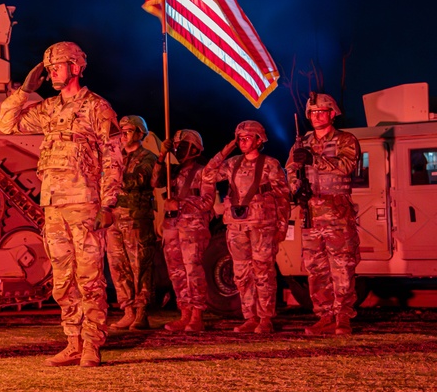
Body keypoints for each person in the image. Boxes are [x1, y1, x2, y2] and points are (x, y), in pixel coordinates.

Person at [0, 41, 123, 368]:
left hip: (85, 204)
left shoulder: (98, 108)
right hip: (53, 206)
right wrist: (24, 91)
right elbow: (7, 124)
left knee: (90, 278)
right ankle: (73, 341)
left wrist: (108, 203)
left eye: (57, 65)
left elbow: (113, 158)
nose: (51, 71)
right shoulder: (49, 108)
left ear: (77, 67)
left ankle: (92, 344)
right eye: (49, 66)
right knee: (62, 280)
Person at [203, 121, 289, 334]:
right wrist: (226, 149)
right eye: (240, 137)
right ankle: (249, 317)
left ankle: (265, 318)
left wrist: (282, 226)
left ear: (260, 140)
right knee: (241, 273)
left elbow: (283, 197)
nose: (242, 141)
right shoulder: (232, 163)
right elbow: (207, 174)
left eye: (247, 137)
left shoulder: (270, 165)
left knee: (263, 273)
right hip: (237, 226)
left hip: (262, 226)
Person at [286, 93, 361, 335]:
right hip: (310, 214)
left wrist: (314, 159)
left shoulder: (345, 140)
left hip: (337, 214)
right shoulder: (301, 143)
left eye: (322, 112)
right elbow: (290, 170)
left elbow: (346, 166)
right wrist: (295, 190)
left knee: (342, 267)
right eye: (313, 113)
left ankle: (342, 317)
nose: (317, 116)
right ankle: (325, 316)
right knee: (316, 269)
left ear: (332, 114)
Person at [152, 129, 215, 332]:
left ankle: (197, 314)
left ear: (195, 148)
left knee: (192, 270)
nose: (179, 150)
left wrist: (180, 204)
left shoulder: (204, 172)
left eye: (183, 146)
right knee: (176, 272)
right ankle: (184, 312)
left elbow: (206, 202)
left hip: (192, 227)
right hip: (172, 227)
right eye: (177, 146)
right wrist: (162, 156)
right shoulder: (173, 171)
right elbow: (155, 182)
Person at [107, 115, 158, 330]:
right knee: (118, 266)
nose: (123, 135)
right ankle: (127, 309)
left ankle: (141, 311)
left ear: (139, 133)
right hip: (114, 219)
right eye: (122, 131)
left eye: (128, 131)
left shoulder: (148, 157)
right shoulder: (114, 157)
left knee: (140, 265)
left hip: (136, 218)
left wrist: (114, 174)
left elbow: (141, 179)